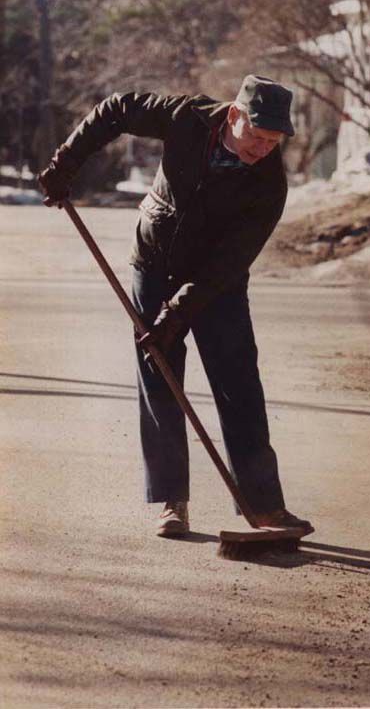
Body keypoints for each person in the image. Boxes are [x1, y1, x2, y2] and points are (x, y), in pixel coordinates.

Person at [38, 75, 313, 539]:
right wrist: (66, 162)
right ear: (234, 116)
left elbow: (231, 259)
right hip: (155, 261)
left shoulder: (269, 184)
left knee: (239, 385)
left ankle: (265, 506)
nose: (263, 148)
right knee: (160, 378)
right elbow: (116, 109)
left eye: (273, 141)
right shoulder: (187, 117)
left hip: (216, 284)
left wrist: (180, 310)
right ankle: (172, 501)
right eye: (257, 136)